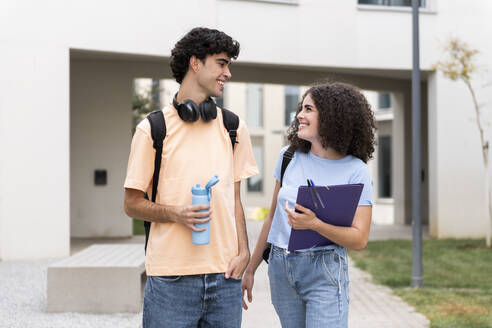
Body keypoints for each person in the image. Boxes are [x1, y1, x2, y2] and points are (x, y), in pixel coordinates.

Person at [124, 27, 258, 328]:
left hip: (225, 279)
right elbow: (132, 204)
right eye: (221, 63)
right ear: (195, 63)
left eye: (229, 65)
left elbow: (233, 200)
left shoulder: (234, 128)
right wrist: (176, 214)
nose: (228, 73)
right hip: (171, 280)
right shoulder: (153, 129)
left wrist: (244, 251)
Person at [241, 82, 376, 328]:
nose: (300, 116)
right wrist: (251, 268)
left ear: (332, 116)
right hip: (281, 268)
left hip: (324, 269)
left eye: (308, 109)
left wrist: (315, 225)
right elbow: (272, 218)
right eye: (301, 109)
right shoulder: (288, 156)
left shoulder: (357, 171)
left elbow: (359, 239)